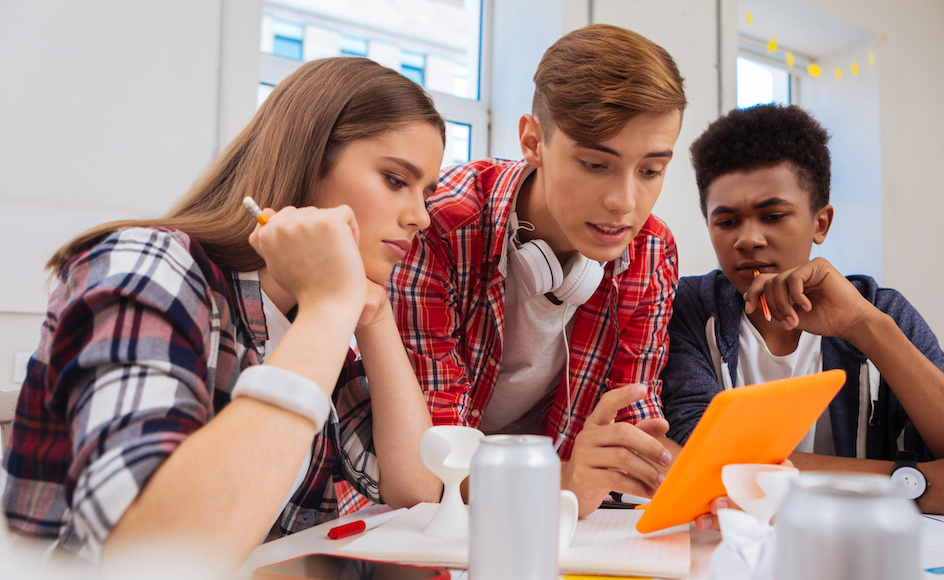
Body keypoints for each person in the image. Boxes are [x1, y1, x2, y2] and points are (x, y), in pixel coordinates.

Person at [2, 57, 444, 568]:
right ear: (308, 159)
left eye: (427, 192)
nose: (421, 216)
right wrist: (330, 306)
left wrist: (372, 312)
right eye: (395, 180)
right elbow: (156, 555)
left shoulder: (304, 318)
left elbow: (416, 489)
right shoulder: (150, 265)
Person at [661, 104, 944, 528]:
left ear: (820, 223)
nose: (749, 239)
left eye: (773, 216)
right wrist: (914, 484)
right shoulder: (685, 307)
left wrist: (863, 326)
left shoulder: (877, 308)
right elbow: (703, 460)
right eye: (726, 221)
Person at [389, 24, 686, 517]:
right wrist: (565, 480)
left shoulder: (652, 250)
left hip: (552, 508)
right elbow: (434, 460)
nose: (624, 203)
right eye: (595, 164)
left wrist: (695, 483)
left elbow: (633, 421)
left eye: (651, 170)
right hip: (427, 511)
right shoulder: (438, 225)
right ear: (533, 141)